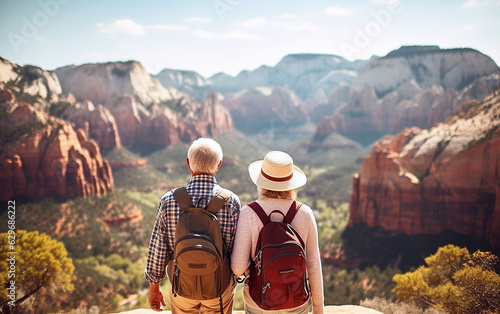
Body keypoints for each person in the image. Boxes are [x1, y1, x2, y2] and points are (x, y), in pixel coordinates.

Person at [145, 137, 241, 313]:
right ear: (219, 165)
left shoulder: (169, 200)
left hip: (182, 287)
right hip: (219, 288)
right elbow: (236, 251)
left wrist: (154, 288)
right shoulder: (231, 202)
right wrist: (235, 281)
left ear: (188, 164)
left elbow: (158, 249)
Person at [231, 151, 324, 314]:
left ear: (261, 182)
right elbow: (314, 266)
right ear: (291, 183)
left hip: (258, 300)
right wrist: (318, 309)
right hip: (296, 302)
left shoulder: (248, 213)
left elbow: (238, 268)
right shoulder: (305, 213)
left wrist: (260, 271)